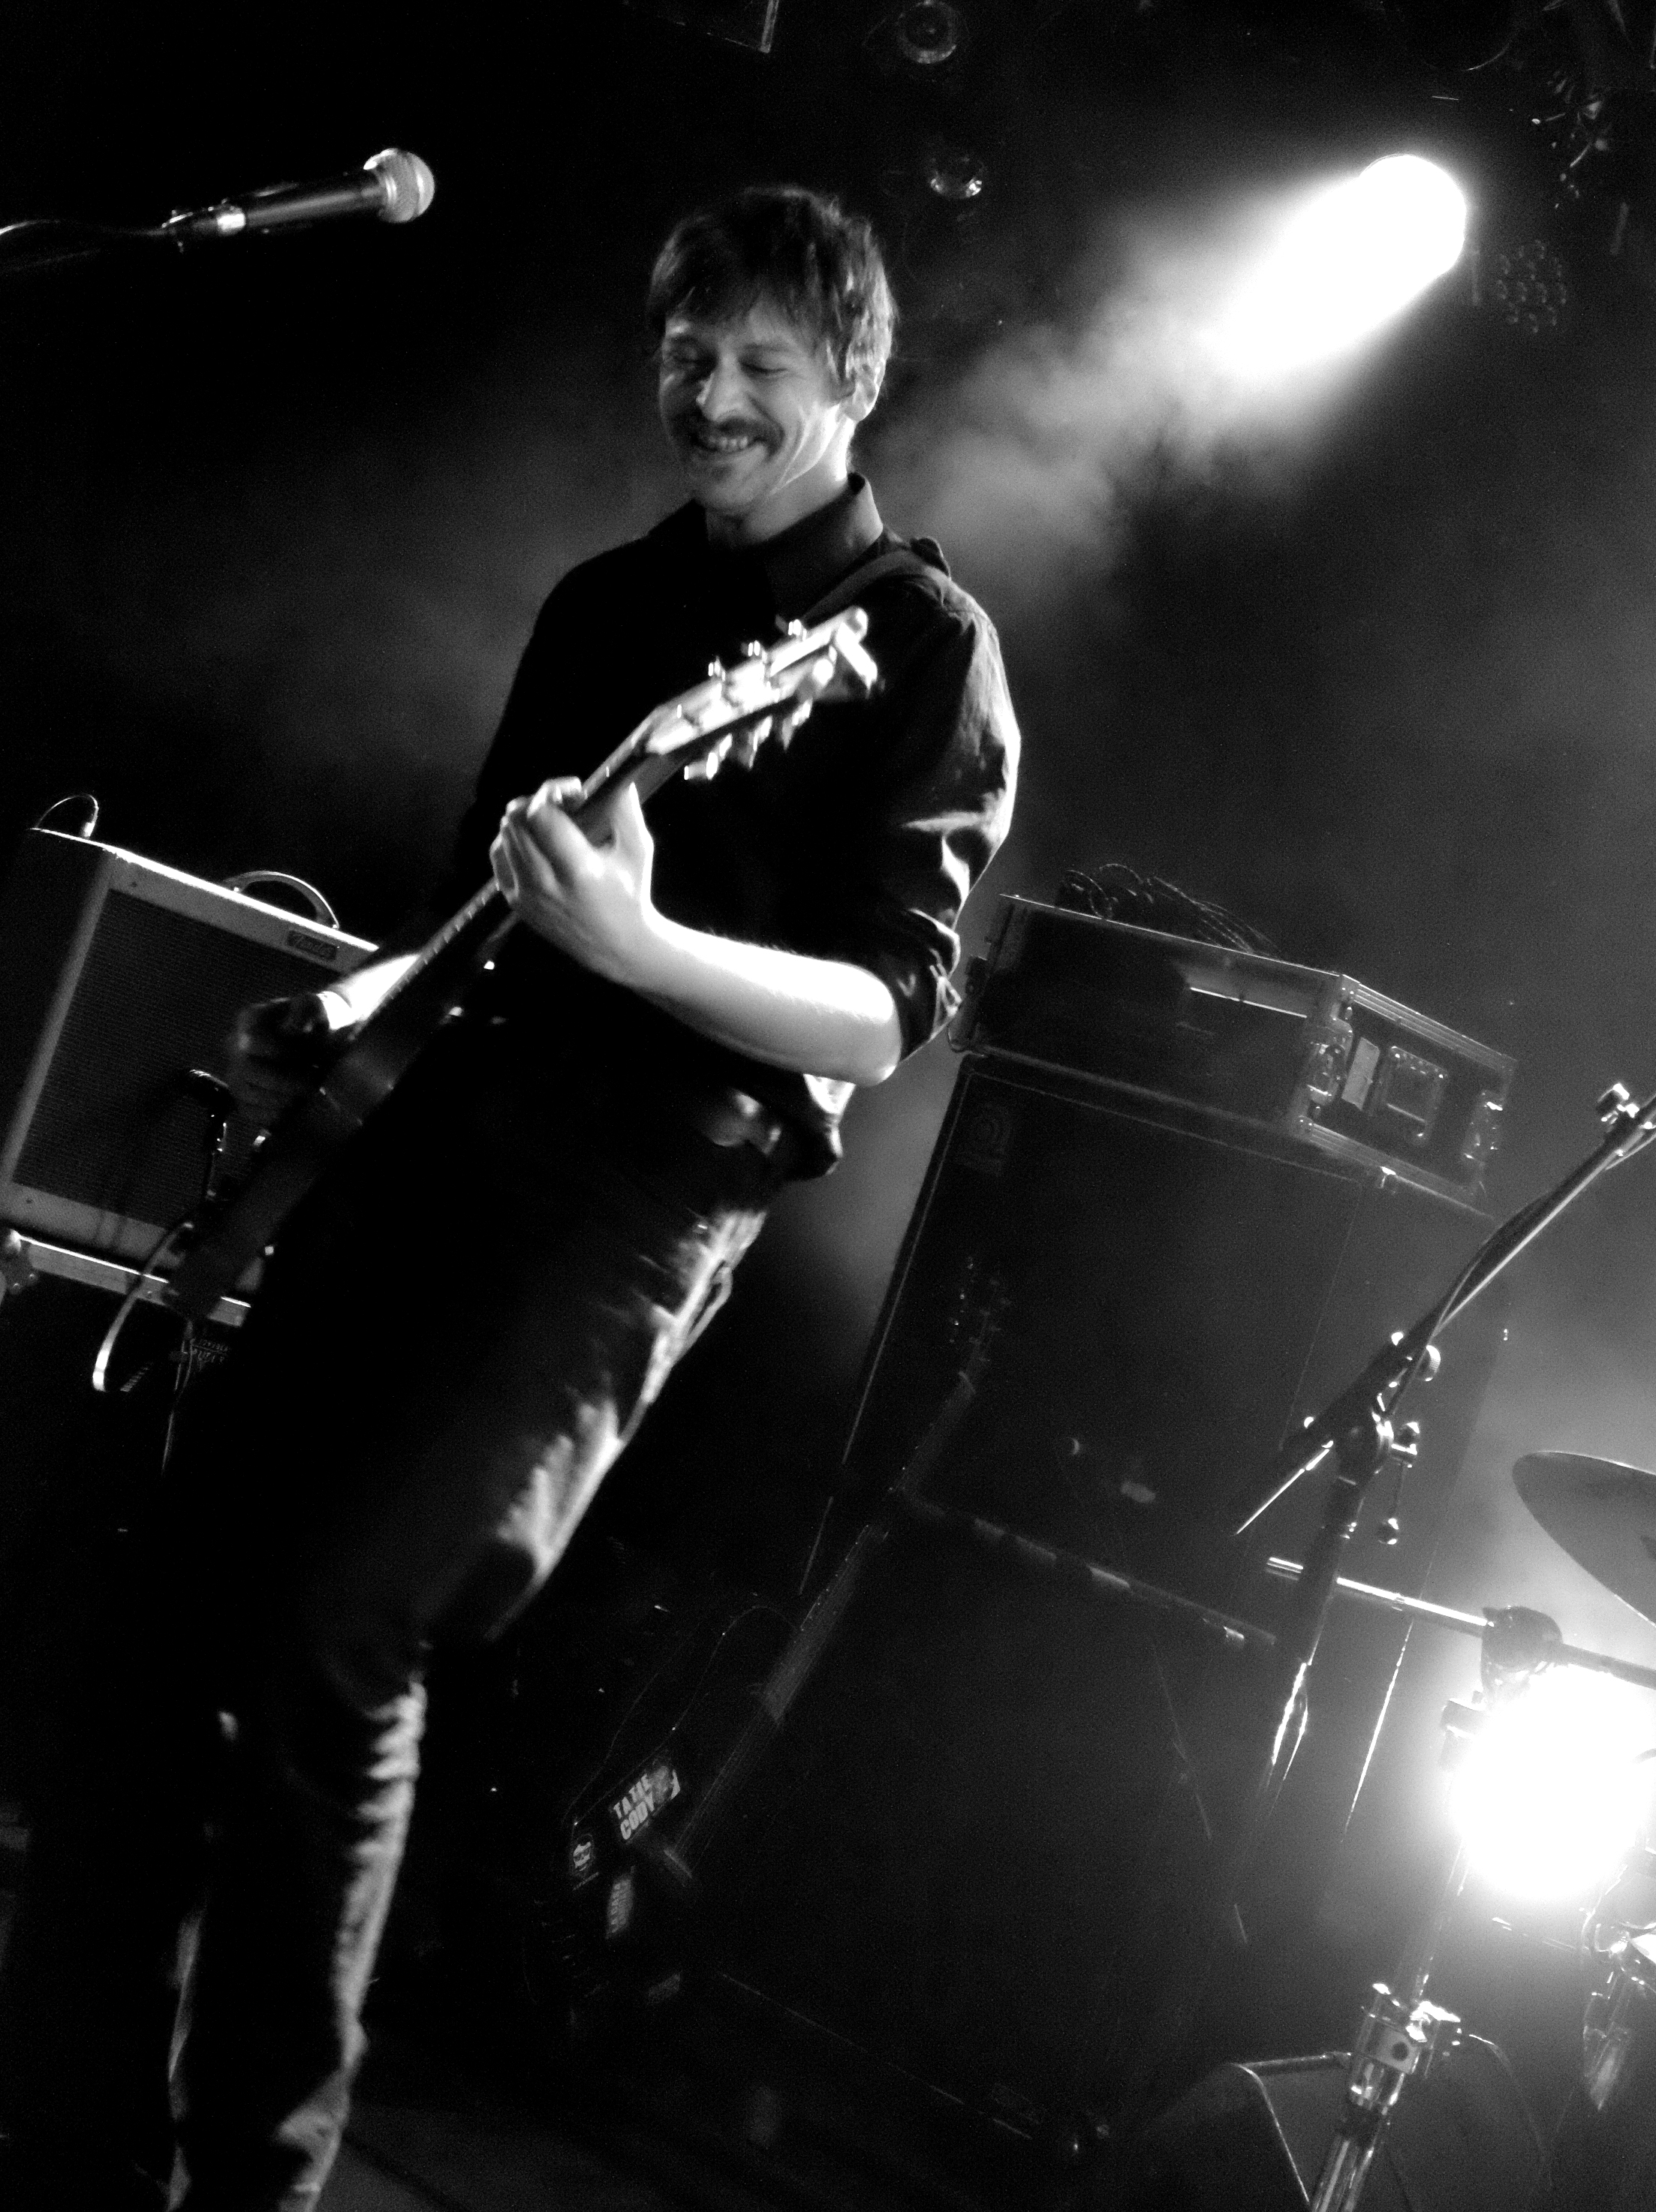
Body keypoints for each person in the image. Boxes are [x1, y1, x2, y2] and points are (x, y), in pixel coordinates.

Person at [0, 183, 1019, 2210]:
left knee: (339, 1639)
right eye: (687, 355)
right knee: (154, 1610)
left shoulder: (917, 645)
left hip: (634, 1208)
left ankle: (257, 2181)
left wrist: (643, 945)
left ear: (852, 380)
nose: (710, 397)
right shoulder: (606, 603)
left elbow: (887, 1013)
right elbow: (477, 903)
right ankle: (67, 2142)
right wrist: (345, 1007)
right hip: (434, 1141)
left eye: (759, 364)